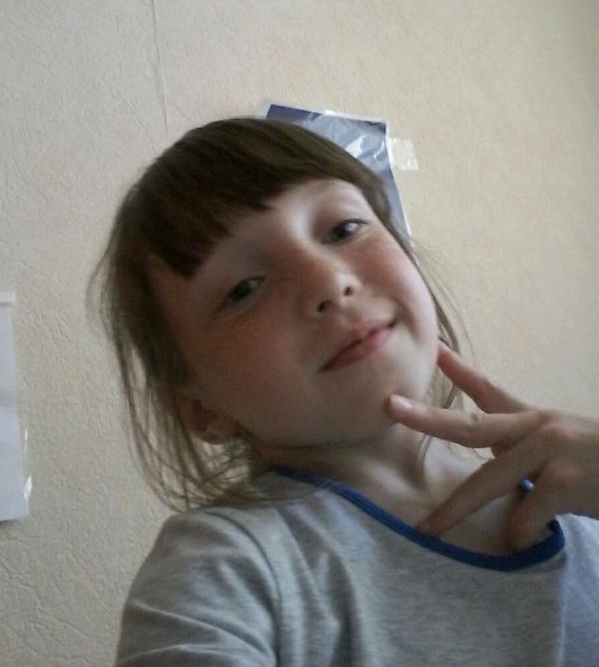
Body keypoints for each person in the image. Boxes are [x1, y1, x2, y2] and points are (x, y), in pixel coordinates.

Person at [89, 117, 599, 666]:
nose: (328, 282)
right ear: (200, 407)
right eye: (243, 290)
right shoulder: (225, 567)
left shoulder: (581, 500)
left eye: (343, 229)